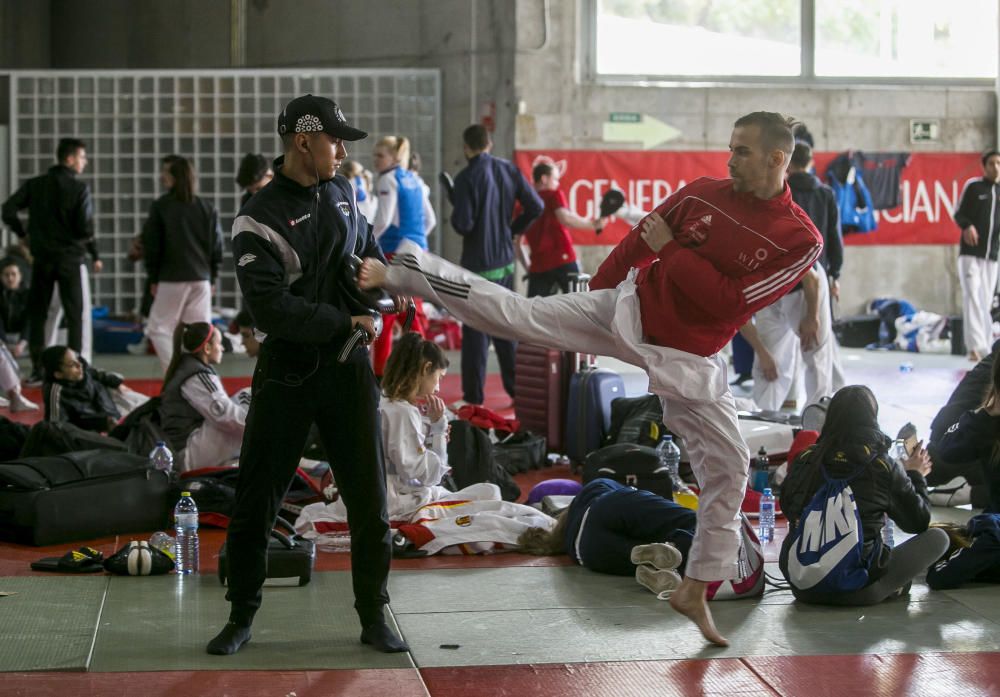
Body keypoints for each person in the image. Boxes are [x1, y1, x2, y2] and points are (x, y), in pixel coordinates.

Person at [361, 111, 824, 645]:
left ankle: (696, 586)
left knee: (729, 467)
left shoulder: (799, 239)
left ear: (776, 159)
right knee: (521, 315)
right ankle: (409, 270)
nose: (730, 158)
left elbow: (727, 299)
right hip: (629, 310)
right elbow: (637, 244)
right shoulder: (702, 193)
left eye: (741, 151)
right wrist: (597, 295)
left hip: (688, 357)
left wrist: (673, 247)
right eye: (730, 147)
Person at [206, 94, 406, 657]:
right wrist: (348, 317)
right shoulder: (258, 215)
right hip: (288, 376)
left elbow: (371, 258)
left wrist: (390, 290)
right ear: (302, 141)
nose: (343, 151)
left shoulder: (344, 194)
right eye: (335, 140)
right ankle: (240, 615)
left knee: (370, 504)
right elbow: (270, 310)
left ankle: (373, 614)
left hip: (349, 373)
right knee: (256, 503)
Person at [779, 385, 949, 605]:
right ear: (872, 419)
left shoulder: (807, 458)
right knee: (938, 538)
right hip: (858, 593)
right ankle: (890, 586)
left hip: (802, 587)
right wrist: (915, 475)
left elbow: (787, 507)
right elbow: (918, 522)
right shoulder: (882, 466)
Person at [518, 478, 764, 599]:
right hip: (608, 509)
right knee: (695, 521)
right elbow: (634, 502)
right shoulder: (594, 489)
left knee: (647, 553)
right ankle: (679, 548)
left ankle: (672, 561)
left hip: (593, 553)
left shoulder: (573, 547)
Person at [740, 142, 842, 411]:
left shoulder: (772, 216)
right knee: (772, 365)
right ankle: (765, 418)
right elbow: (737, 318)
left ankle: (816, 423)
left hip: (803, 283)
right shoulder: (745, 238)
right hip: (772, 292)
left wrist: (812, 316)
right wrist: (762, 353)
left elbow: (810, 277)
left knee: (815, 354)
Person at [450, 124, 543, 407]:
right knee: (504, 326)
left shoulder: (465, 178)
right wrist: (512, 229)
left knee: (476, 332)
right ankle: (518, 393)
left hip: (478, 267)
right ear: (489, 144)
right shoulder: (509, 170)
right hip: (505, 263)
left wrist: (454, 200)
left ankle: (474, 398)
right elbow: (536, 206)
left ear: (467, 147)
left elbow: (463, 224)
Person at [2, 137, 101, 384]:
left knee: (39, 314)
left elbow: (8, 209)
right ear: (69, 159)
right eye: (82, 157)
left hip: (43, 259)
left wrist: (23, 234)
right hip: (70, 259)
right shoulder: (79, 190)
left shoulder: (36, 185)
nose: (84, 162)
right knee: (75, 314)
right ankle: (77, 368)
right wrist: (92, 251)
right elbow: (84, 228)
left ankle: (39, 368)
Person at [142, 155, 223, 372]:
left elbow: (153, 246)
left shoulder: (161, 207)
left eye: (166, 173)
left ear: (176, 177)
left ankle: (175, 374)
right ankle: (200, 376)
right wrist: (212, 277)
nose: (162, 176)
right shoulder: (206, 207)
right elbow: (216, 246)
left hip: (171, 277)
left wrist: (153, 277)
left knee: (158, 329)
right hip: (202, 278)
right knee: (199, 332)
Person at [369, 135, 435, 377]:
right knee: (412, 315)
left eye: (380, 155)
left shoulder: (388, 180)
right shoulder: (415, 179)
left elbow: (383, 220)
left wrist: (365, 242)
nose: (375, 160)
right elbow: (430, 220)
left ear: (395, 157)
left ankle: (381, 375)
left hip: (394, 253)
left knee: (386, 314)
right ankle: (426, 370)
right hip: (418, 253)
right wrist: (415, 242)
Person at [159, 322, 249, 472]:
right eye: (219, 344)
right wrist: (264, 428)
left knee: (245, 397)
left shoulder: (190, 368)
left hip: (186, 449)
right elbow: (225, 416)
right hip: (186, 455)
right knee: (248, 398)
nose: (222, 348)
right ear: (207, 348)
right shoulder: (196, 376)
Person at [925, 338, 1000, 508]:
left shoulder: (992, 361)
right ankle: (969, 491)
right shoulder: (990, 411)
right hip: (953, 456)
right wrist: (986, 414)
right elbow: (949, 449)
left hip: (945, 446)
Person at [518, 162, 606, 298]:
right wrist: (593, 225)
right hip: (563, 260)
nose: (557, 183)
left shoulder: (522, 204)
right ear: (544, 178)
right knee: (579, 306)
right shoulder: (554, 195)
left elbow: (517, 243)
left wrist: (529, 267)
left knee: (534, 313)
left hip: (538, 266)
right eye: (555, 179)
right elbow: (566, 218)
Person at [956, 150, 1000, 362]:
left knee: (986, 300)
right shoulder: (974, 187)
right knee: (972, 296)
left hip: (991, 256)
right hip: (970, 254)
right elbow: (959, 213)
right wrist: (967, 226)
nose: (996, 167)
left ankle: (986, 346)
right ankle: (974, 347)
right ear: (984, 166)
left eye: (999, 163)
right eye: (991, 163)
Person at [40, 346, 147, 433]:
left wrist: (117, 384)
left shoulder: (82, 370)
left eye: (77, 359)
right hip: (96, 420)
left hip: (109, 405)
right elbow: (57, 426)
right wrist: (102, 424)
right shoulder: (55, 392)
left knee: (151, 407)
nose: (79, 365)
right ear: (58, 374)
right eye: (72, 364)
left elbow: (98, 373)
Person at [0, 259, 37, 411]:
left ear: (20, 276)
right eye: (6, 275)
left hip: (21, 336)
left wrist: (22, 342)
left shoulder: (28, 294)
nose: (10, 278)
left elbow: (30, 321)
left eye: (13, 274)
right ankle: (15, 393)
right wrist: (2, 342)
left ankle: (15, 392)